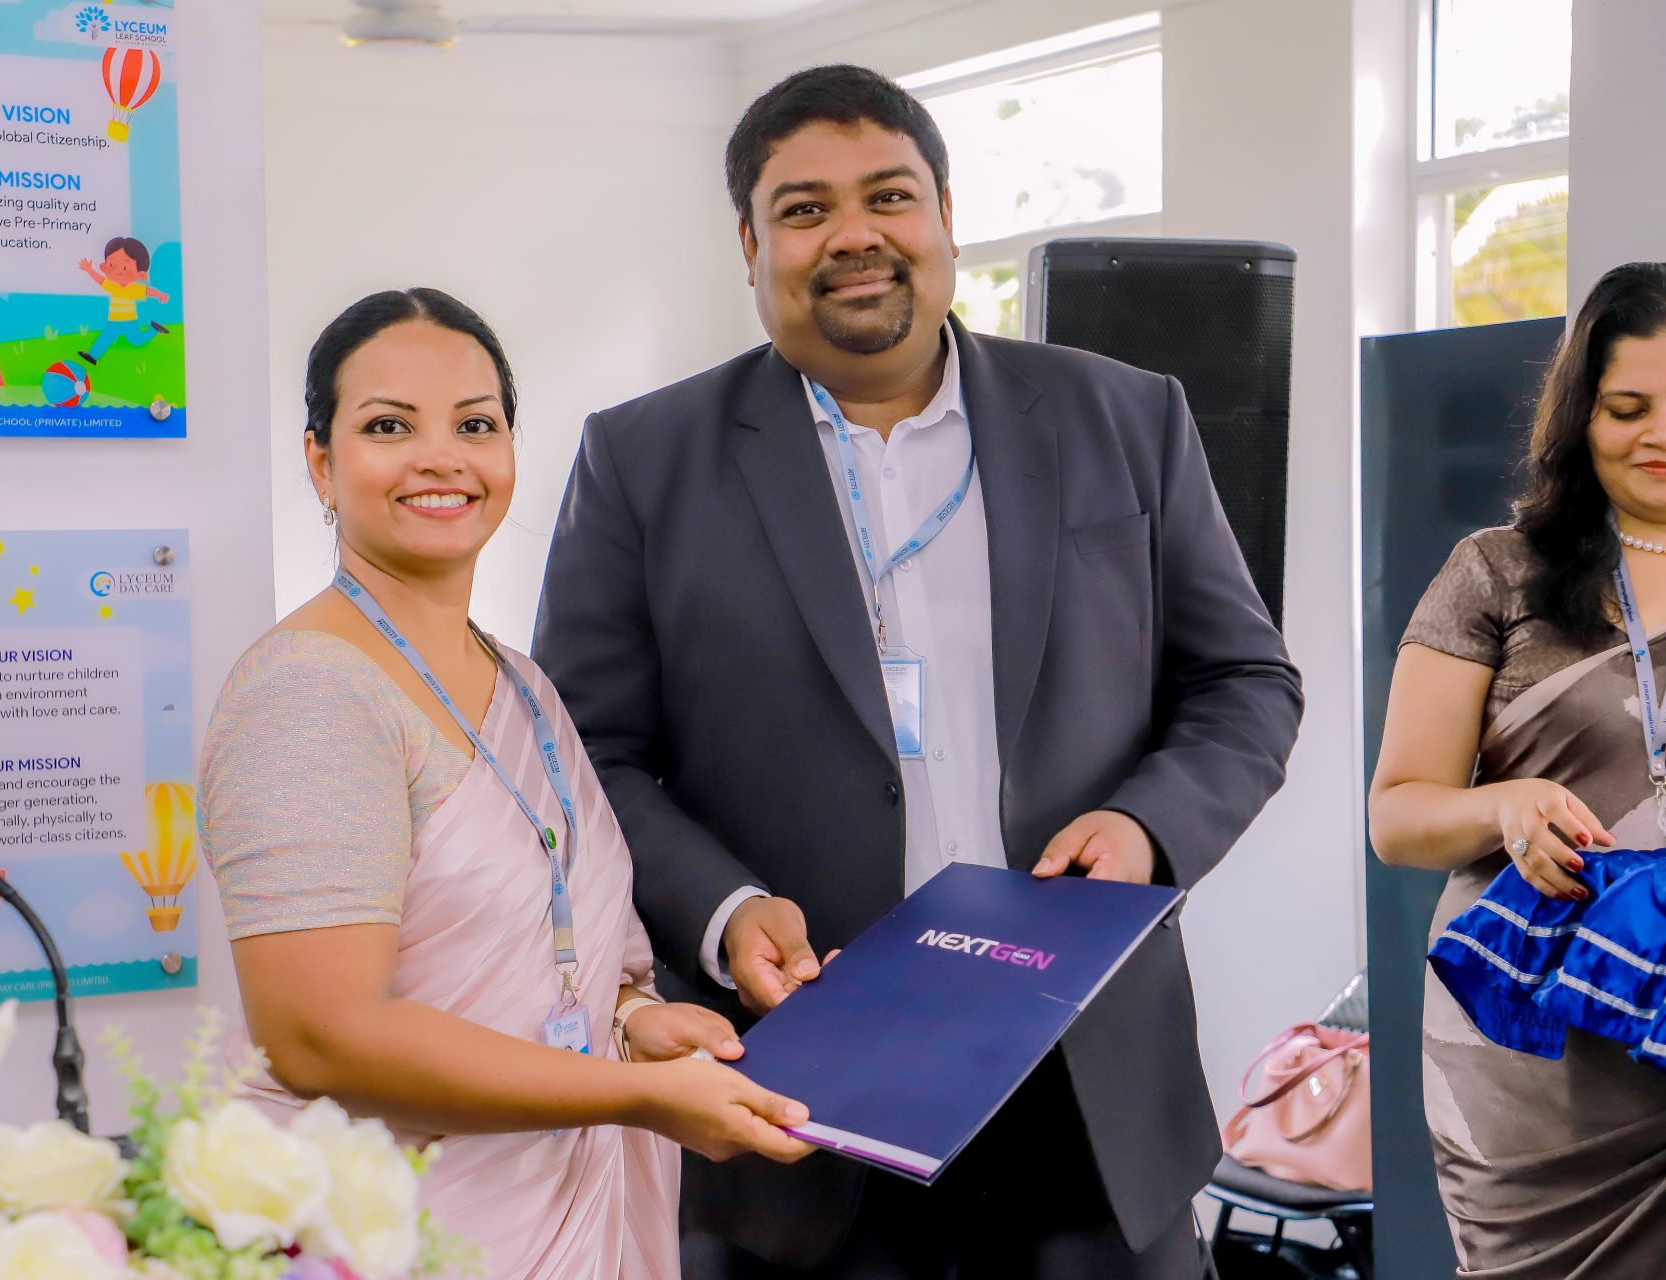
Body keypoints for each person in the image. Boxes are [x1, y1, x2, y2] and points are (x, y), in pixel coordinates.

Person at [533, 64, 1302, 1279]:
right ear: (750, 242)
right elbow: (584, 754)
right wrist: (723, 911)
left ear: (945, 214)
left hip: (1088, 1081)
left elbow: (1246, 679)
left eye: (889, 195)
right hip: (793, 1089)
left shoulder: (1125, 415)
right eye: (804, 208)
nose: (855, 235)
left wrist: (1149, 828)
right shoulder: (644, 458)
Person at [200, 289, 811, 1280]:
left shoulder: (522, 683)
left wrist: (631, 1025)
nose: (442, 456)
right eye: (390, 425)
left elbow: (556, 950)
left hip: (564, 1199)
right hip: (394, 1230)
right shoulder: (308, 692)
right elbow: (320, 1036)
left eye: (476, 424)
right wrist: (630, 1094)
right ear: (321, 460)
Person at [1369, 261, 1666, 1279]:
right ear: (1581, 413)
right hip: (1533, 1052)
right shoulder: (1498, 569)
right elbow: (1398, 816)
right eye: (1628, 407)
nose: (1657, 434)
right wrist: (1507, 805)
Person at [76, 236, 169, 367]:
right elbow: (100, 280)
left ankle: (154, 329)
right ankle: (93, 356)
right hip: (113, 320)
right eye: (111, 265)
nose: (117, 270)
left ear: (140, 275)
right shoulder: (112, 285)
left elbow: (148, 291)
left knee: (137, 340)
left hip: (129, 321)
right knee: (105, 337)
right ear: (104, 267)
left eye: (125, 267)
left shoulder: (135, 289)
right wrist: (89, 270)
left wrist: (161, 295)